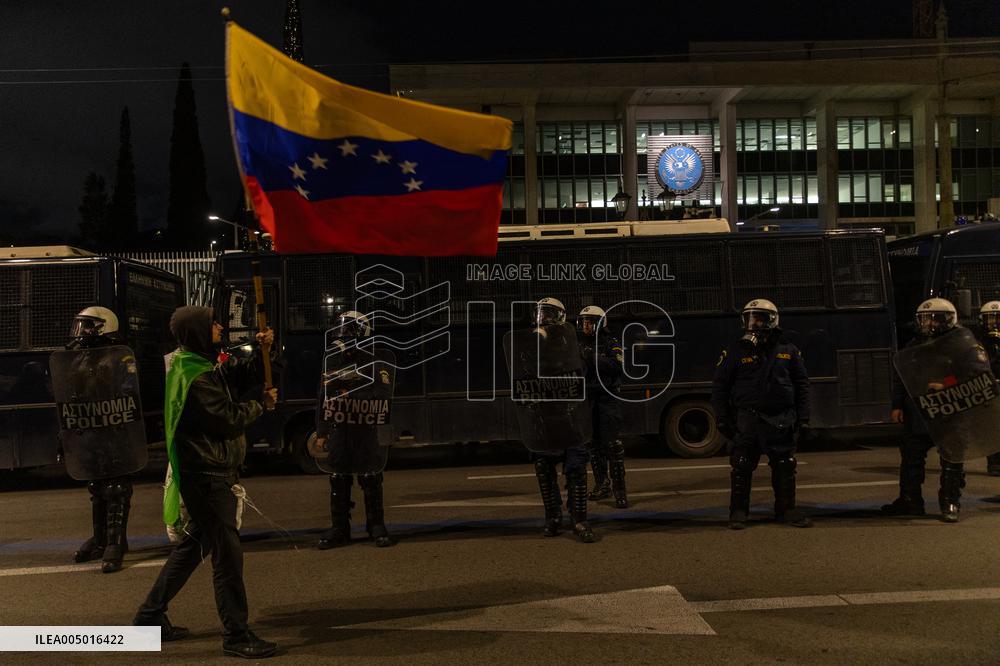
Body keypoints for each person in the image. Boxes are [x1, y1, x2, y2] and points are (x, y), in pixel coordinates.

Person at [133, 306, 279, 658]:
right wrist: (260, 405)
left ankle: (150, 616)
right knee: (227, 557)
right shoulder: (195, 376)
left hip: (204, 473)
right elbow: (227, 418)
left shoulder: (193, 365)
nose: (218, 326)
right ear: (198, 331)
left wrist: (264, 350)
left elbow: (237, 374)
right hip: (208, 476)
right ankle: (236, 634)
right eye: (212, 322)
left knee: (192, 548)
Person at [712, 299, 812, 530]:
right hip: (748, 419)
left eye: (758, 318)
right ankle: (738, 512)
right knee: (742, 465)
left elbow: (801, 384)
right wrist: (722, 418)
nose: (753, 323)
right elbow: (720, 387)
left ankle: (787, 510)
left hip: (780, 418)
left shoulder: (788, 350)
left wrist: (804, 419)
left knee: (784, 465)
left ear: (772, 320)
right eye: (749, 317)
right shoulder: (735, 350)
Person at [882, 298, 974, 522]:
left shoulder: (960, 345)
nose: (929, 323)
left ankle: (950, 501)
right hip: (919, 411)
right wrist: (897, 405)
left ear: (948, 319)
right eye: (925, 318)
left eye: (935, 318)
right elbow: (902, 376)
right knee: (911, 458)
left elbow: (972, 373)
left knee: (952, 460)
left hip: (949, 410)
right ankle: (910, 500)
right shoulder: (914, 345)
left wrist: (947, 384)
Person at [315, 311, 394, 549]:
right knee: (338, 477)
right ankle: (340, 528)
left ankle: (376, 525)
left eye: (348, 330)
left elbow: (381, 394)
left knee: (370, 476)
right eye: (341, 329)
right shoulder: (333, 360)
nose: (343, 334)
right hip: (340, 429)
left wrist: (346, 389)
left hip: (364, 430)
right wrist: (321, 431)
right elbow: (323, 396)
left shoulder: (375, 360)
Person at [65, 307, 135, 574]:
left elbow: (129, 391)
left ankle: (116, 542)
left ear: (104, 327)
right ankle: (100, 537)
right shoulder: (81, 358)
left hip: (114, 430)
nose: (82, 331)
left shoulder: (119, 357)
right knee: (96, 484)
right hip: (89, 428)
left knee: (116, 486)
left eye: (88, 326)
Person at [525, 298, 595, 543]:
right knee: (543, 466)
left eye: (549, 313)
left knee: (576, 467)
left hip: (569, 413)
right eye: (541, 313)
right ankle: (552, 516)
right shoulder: (531, 343)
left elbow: (581, 373)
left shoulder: (570, 341)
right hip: (545, 414)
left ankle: (579, 518)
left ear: (561, 316)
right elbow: (522, 373)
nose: (544, 318)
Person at [576, 305, 628, 508]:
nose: (586, 326)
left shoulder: (610, 342)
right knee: (592, 444)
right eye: (584, 322)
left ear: (600, 323)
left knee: (613, 446)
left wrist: (593, 357)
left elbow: (617, 366)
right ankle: (601, 484)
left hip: (607, 398)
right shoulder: (578, 344)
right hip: (588, 398)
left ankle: (620, 491)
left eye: (590, 322)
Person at [975, 301, 1000, 476]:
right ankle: (995, 463)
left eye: (997, 318)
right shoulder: (978, 342)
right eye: (989, 319)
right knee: (993, 427)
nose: (993, 323)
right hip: (989, 385)